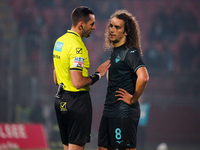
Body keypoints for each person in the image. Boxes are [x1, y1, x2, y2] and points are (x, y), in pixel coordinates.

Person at [53, 6, 110, 150]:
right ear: (81, 25)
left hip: (61, 101)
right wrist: (97, 76)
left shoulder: (59, 42)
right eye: (91, 24)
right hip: (77, 102)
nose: (94, 27)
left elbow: (56, 78)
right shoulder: (77, 47)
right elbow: (77, 82)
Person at [98, 9, 149, 150]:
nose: (112, 30)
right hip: (109, 110)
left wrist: (132, 99)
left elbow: (144, 77)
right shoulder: (115, 53)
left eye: (117, 27)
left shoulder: (131, 51)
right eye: (111, 26)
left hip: (123, 112)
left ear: (126, 32)